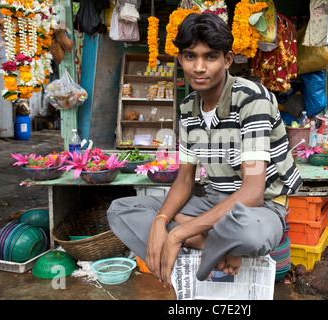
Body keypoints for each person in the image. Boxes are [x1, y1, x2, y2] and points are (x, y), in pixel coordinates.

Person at [107, 12, 302, 289]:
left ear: (227, 59)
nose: (199, 67)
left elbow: (253, 192)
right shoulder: (188, 108)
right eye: (190, 56)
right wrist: (160, 220)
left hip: (261, 207)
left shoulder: (251, 99)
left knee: (252, 233)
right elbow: (186, 178)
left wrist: (177, 233)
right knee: (121, 210)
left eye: (210, 56)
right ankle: (213, 242)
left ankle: (200, 232)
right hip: (213, 201)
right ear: (180, 60)